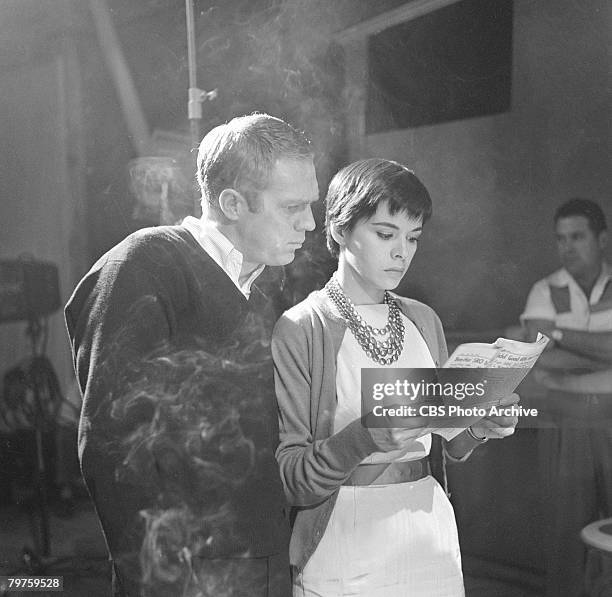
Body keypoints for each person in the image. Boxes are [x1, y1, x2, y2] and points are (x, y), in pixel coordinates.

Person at [65, 113, 319, 597]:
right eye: (293, 207)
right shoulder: (144, 267)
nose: (309, 223)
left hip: (259, 562)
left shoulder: (261, 293)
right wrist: (162, 580)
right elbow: (114, 447)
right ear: (232, 202)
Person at [272, 158, 519, 597]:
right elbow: (292, 477)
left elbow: (448, 440)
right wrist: (366, 436)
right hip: (344, 532)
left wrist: (479, 428)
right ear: (340, 229)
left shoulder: (422, 319)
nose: (401, 251)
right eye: (385, 234)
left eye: (413, 237)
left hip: (427, 527)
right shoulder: (302, 328)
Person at [520, 197, 612, 596]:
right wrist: (599, 350)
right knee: (566, 530)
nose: (568, 247)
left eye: (578, 237)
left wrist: (558, 334)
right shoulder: (546, 289)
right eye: (561, 239)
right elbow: (540, 353)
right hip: (566, 422)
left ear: (602, 239)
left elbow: (551, 345)